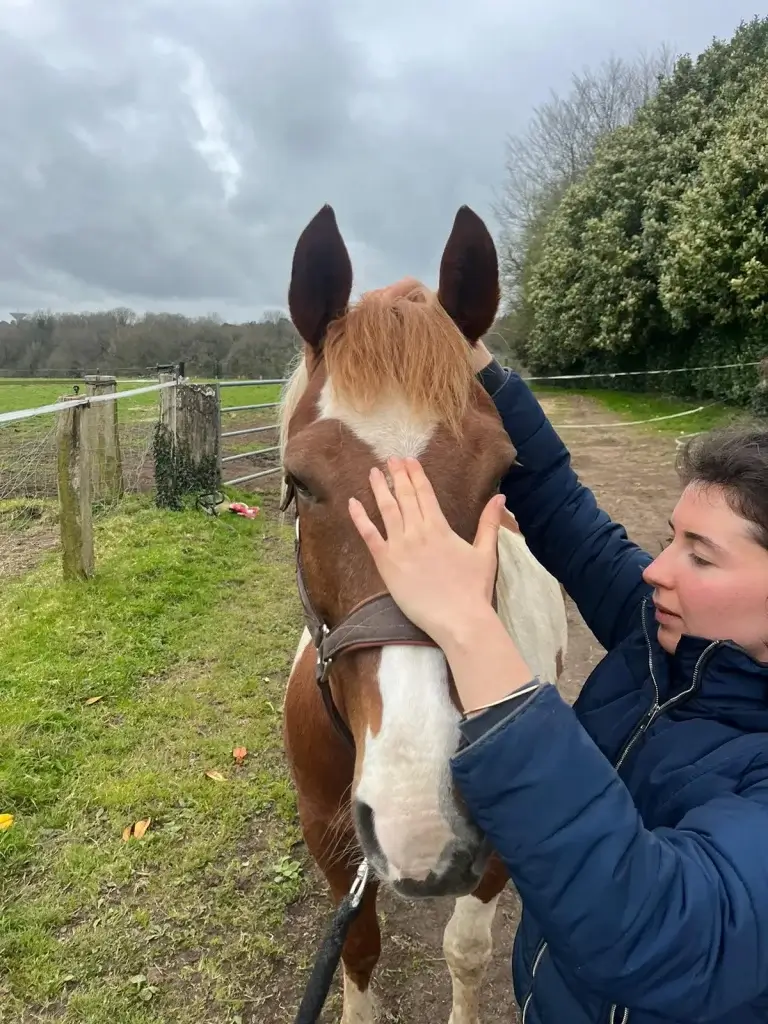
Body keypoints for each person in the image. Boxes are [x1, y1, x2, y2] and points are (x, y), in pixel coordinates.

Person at [347, 342, 768, 1024]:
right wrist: (477, 363)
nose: (657, 570)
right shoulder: (668, 641)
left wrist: (466, 625)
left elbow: (662, 933)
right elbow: (566, 512)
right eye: (671, 539)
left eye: (700, 555)